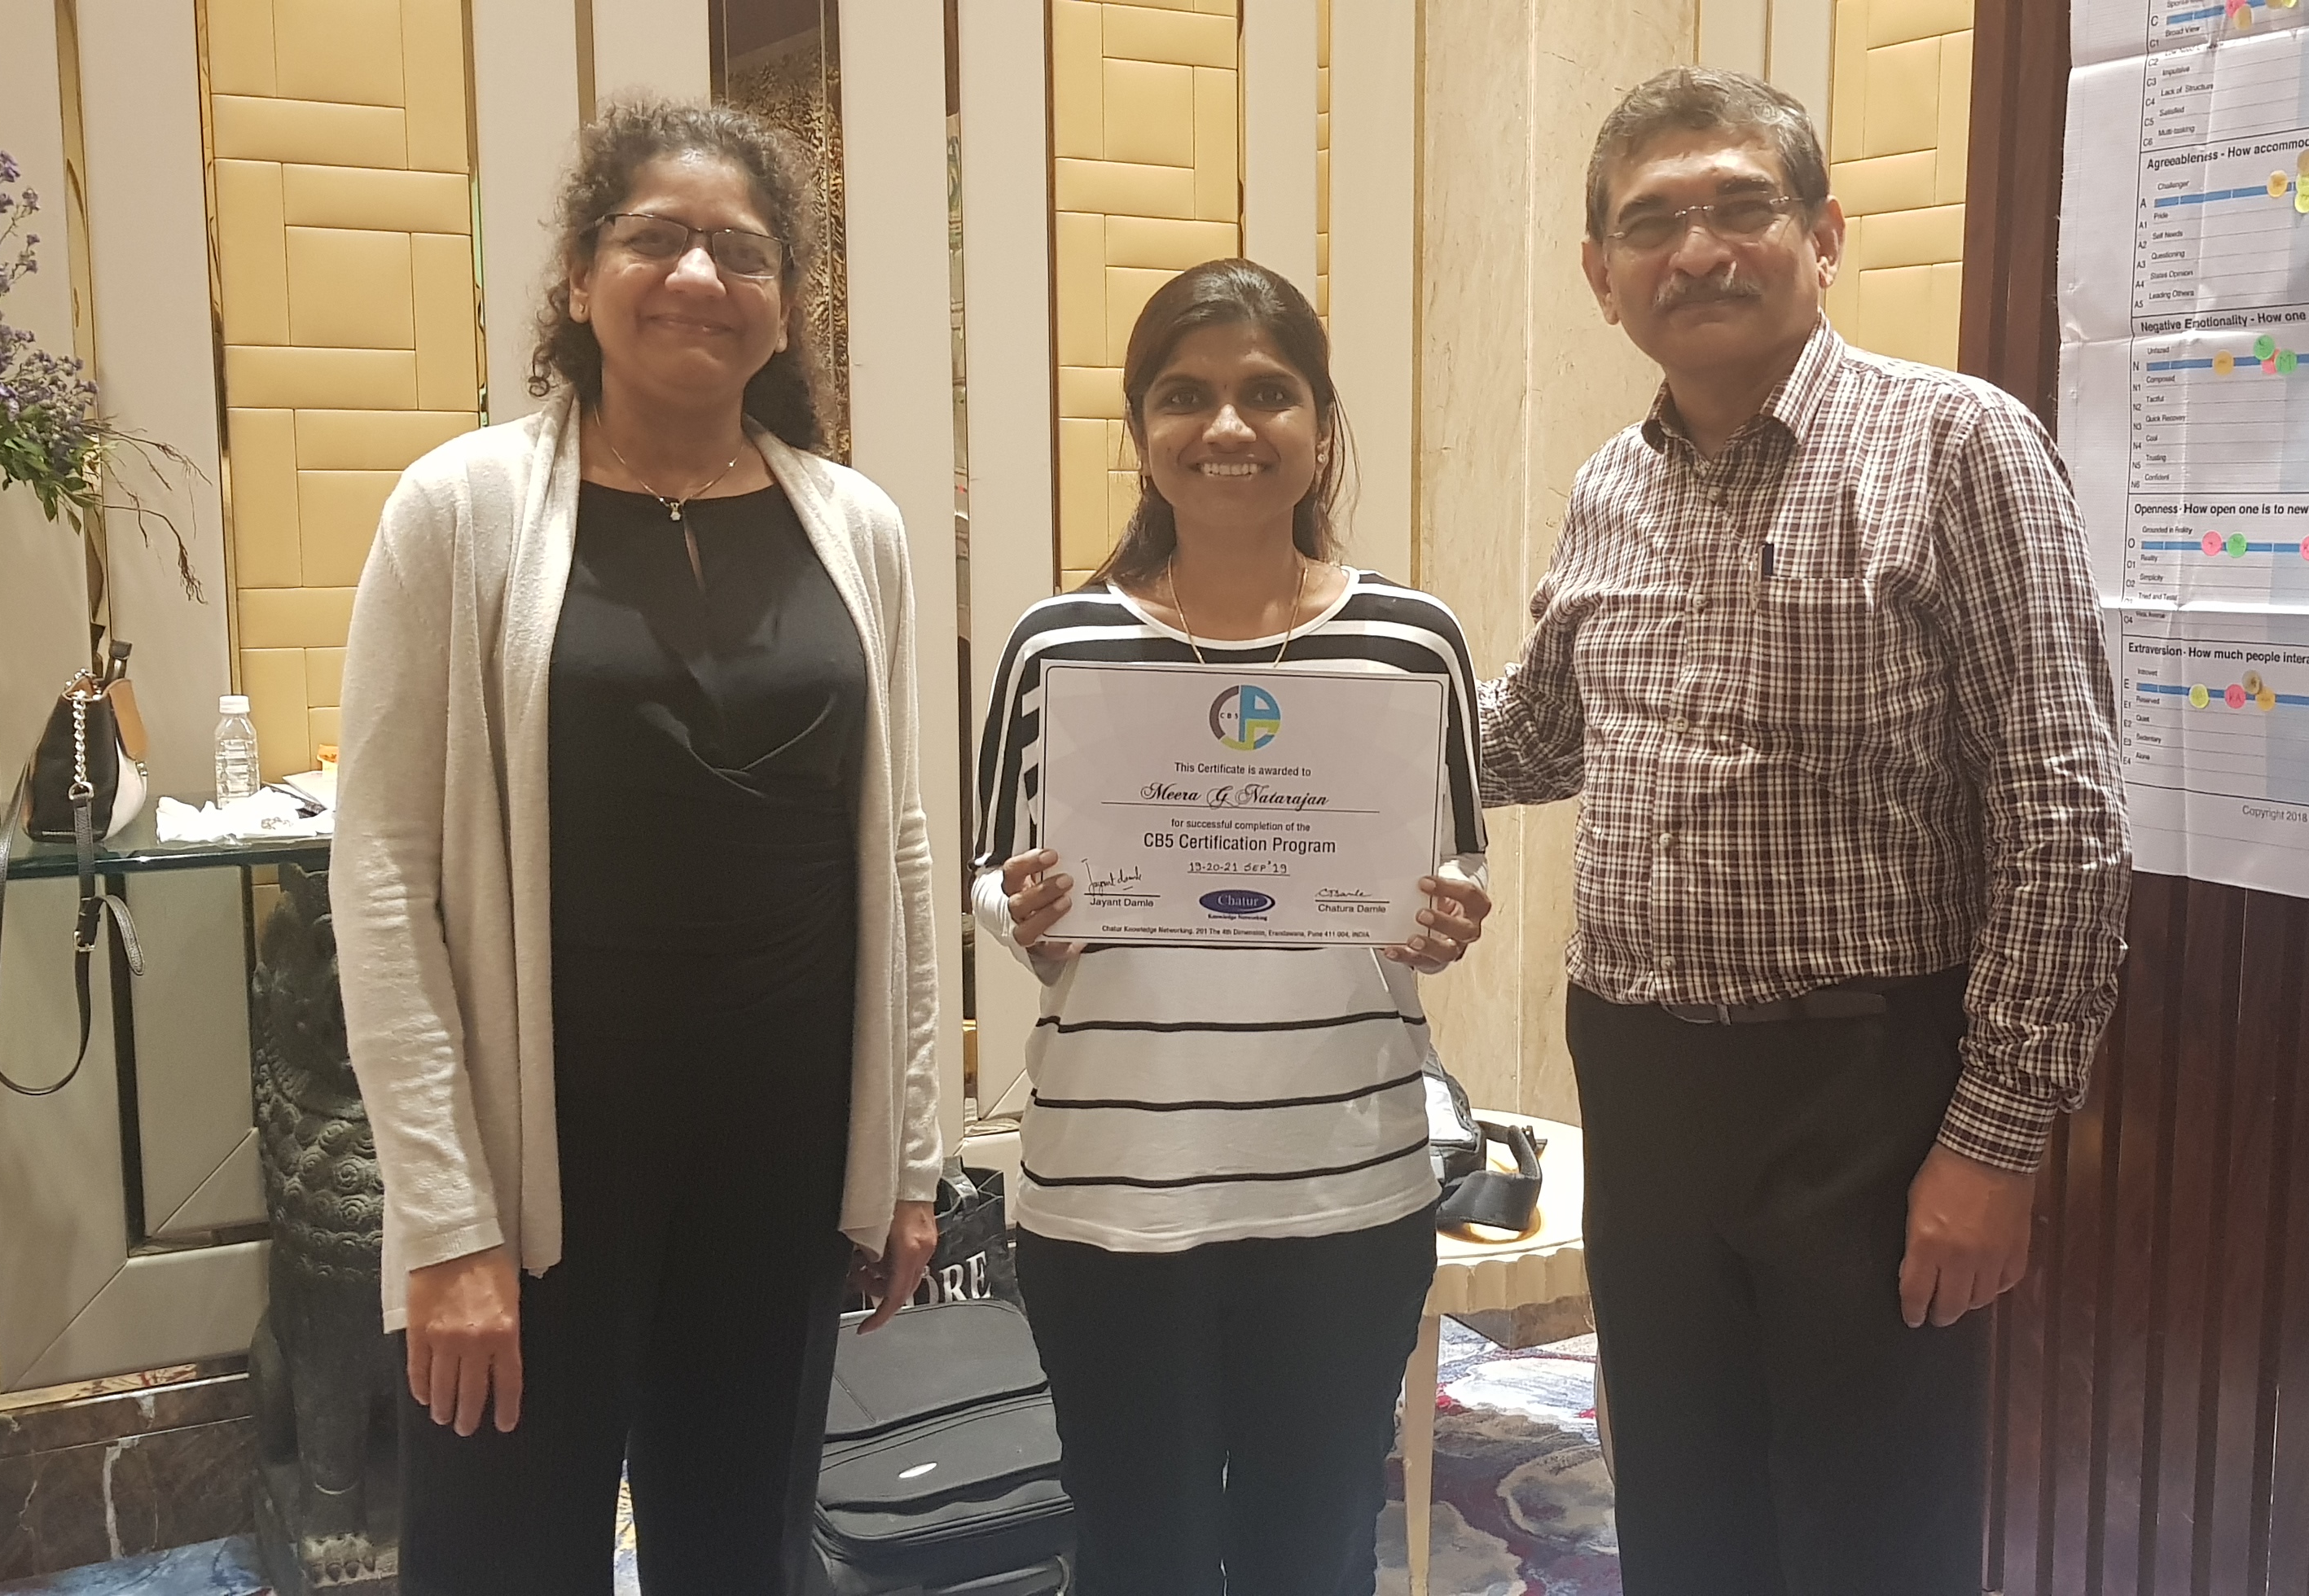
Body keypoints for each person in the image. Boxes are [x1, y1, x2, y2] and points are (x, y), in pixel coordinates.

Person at [1473, 68, 2131, 1594]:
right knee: (1682, 1510)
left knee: (1868, 1535)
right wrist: (1314, 683)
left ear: (1824, 235)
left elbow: (2062, 808)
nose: (1698, 250)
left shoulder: (1958, 446)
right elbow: (1535, 736)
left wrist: (1995, 1140)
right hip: (1642, 1083)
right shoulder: (1610, 486)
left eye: (1740, 206)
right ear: (1603, 276)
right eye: (1653, 223)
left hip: (1866, 1089)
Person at [333, 100, 946, 1594]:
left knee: (741, 1556)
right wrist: (446, 1221)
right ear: (577, 276)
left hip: (782, 1147)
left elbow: (900, 852)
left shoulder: (855, 525)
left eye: (743, 251)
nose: (698, 276)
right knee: (499, 1557)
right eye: (654, 238)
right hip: (542, 1165)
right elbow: (384, 872)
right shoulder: (462, 510)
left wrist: (908, 1158)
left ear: (786, 302)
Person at [971, 258, 1496, 1595]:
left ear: (1320, 425)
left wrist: (1447, 918)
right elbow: (991, 872)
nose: (1227, 427)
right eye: (1184, 395)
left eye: (1268, 393)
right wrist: (1023, 915)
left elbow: (1452, 865)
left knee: (1311, 1549)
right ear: (1142, 430)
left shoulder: (1413, 641)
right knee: (1134, 1551)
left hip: (1346, 1187)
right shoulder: (1054, 646)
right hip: (1109, 1194)